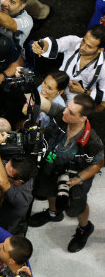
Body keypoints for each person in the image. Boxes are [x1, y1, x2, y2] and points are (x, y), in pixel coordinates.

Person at [27, 93, 104, 252]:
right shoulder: (62, 114)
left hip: (76, 173)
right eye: (67, 107)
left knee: (76, 206)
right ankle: (53, 213)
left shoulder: (93, 142)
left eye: (71, 112)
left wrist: (77, 180)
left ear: (82, 118)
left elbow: (96, 166)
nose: (64, 113)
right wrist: (25, 84)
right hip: (53, 160)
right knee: (48, 188)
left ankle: (84, 228)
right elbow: (39, 101)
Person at [32, 25, 105, 105]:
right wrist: (42, 45)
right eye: (83, 41)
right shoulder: (74, 41)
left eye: (89, 46)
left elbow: (103, 95)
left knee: (64, 113)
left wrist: (83, 91)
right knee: (35, 101)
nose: (82, 47)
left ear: (100, 50)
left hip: (78, 94)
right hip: (58, 81)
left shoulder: (103, 67)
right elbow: (54, 44)